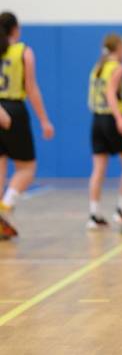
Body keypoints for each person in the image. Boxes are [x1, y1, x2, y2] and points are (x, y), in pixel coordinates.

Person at [0, 12, 55, 239]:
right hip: (13, 109)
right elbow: (31, 89)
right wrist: (44, 120)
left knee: (1, 165)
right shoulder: (23, 51)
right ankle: (7, 204)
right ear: (15, 29)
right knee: (27, 168)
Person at [87, 33, 122, 229]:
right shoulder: (118, 67)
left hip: (97, 119)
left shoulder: (98, 67)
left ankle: (94, 213)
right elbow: (110, 94)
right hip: (112, 118)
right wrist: (120, 120)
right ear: (119, 49)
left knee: (98, 168)